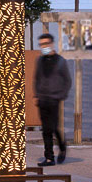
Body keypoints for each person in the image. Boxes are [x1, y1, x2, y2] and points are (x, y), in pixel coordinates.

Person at [33, 34, 71, 166]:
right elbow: (36, 78)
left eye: (46, 44)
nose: (44, 47)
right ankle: (49, 157)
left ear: (51, 44)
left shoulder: (60, 61)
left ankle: (62, 146)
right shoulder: (39, 61)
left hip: (54, 99)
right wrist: (36, 94)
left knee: (54, 127)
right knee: (46, 129)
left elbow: (67, 80)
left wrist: (61, 95)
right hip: (43, 98)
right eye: (41, 44)